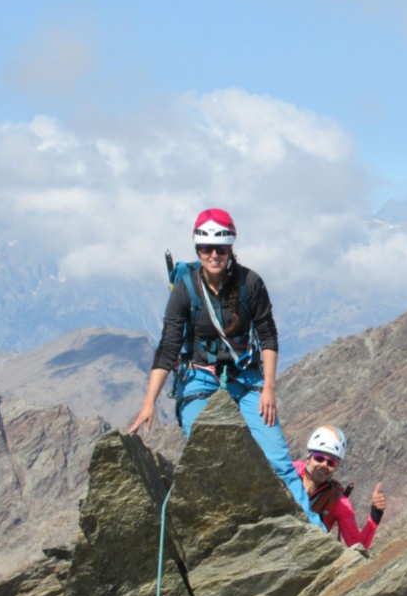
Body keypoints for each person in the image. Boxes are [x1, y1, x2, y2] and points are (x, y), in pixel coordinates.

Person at [128, 207, 325, 531]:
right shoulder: (185, 290)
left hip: (247, 380)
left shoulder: (251, 284)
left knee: (278, 460)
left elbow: (268, 335)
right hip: (199, 381)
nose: (214, 254)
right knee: (212, 453)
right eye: (206, 247)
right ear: (197, 249)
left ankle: (314, 533)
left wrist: (269, 389)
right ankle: (231, 530)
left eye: (221, 247)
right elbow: (168, 347)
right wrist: (149, 402)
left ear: (231, 246)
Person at [294, 426, 386, 549]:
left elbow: (358, 546)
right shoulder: (287, 472)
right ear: (309, 458)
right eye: (319, 458)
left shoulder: (338, 501)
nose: (324, 465)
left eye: (331, 463)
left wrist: (376, 514)